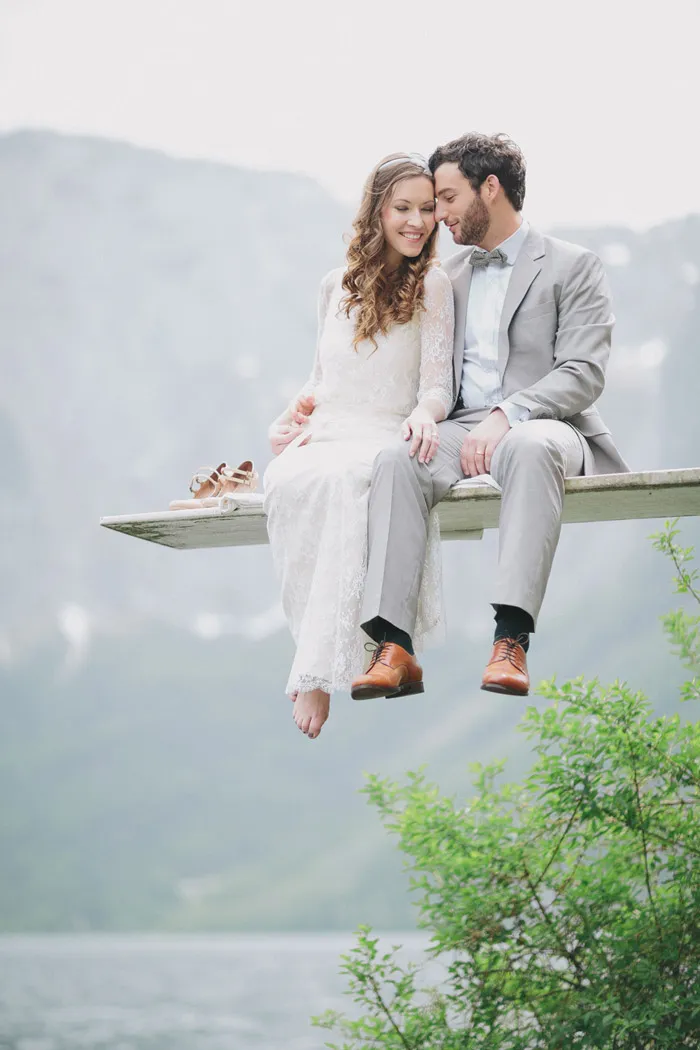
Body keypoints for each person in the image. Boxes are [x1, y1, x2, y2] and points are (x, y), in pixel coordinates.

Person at [350, 132, 629, 700]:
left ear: (491, 189)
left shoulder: (575, 266)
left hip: (549, 425)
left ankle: (511, 639)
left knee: (529, 447)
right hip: (458, 427)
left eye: (448, 198)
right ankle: (393, 645)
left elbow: (583, 372)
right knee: (396, 460)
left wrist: (507, 414)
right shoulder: (444, 278)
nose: (437, 216)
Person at [264, 153, 455, 740]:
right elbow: (320, 377)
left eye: (427, 210)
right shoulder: (333, 285)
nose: (417, 222)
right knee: (292, 479)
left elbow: (435, 385)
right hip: (329, 430)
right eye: (403, 208)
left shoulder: (434, 285)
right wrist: (288, 417)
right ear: (377, 210)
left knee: (349, 484)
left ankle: (316, 673)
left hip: (383, 432)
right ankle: (314, 652)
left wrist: (425, 415)